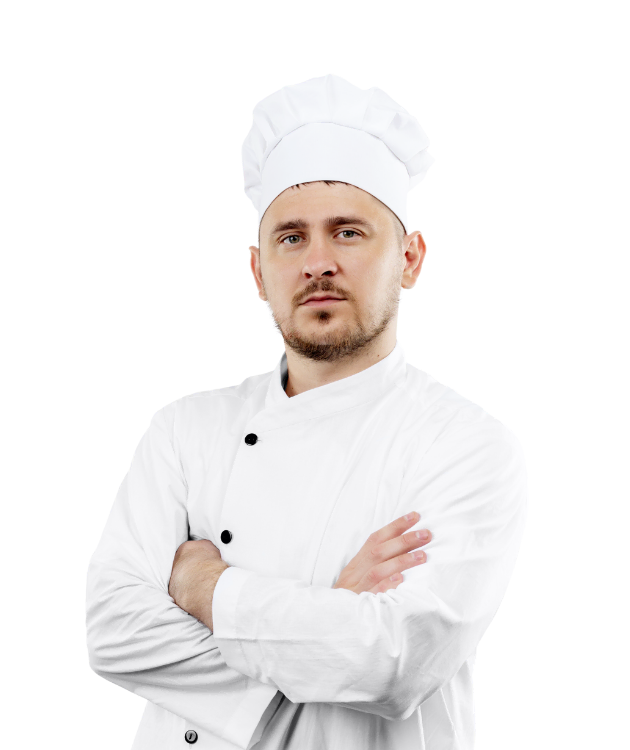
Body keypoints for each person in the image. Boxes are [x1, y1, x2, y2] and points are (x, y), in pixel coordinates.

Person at [85, 74, 527, 749]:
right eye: (291, 238)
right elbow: (107, 628)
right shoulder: (182, 432)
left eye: (348, 232)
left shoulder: (466, 445)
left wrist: (203, 586)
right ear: (258, 270)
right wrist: (332, 616)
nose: (318, 262)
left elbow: (395, 663)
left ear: (410, 259)